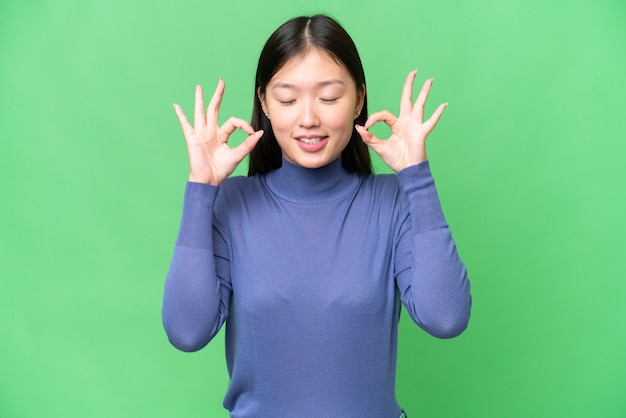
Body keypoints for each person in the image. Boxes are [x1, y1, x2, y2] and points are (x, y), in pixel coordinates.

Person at [162, 14, 471, 418]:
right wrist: (201, 190)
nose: (308, 118)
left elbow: (445, 318)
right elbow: (187, 332)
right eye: (288, 99)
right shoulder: (232, 203)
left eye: (328, 97)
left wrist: (418, 179)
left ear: (359, 100)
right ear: (264, 104)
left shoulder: (393, 203)